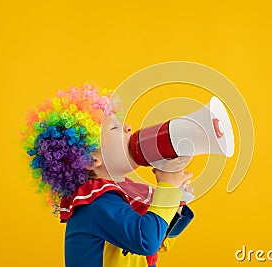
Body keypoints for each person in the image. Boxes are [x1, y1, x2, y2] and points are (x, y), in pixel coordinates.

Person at [21, 83, 194, 267]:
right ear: (90, 160)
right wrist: (167, 187)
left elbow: (158, 242)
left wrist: (174, 208)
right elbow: (146, 240)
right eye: (114, 128)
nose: (128, 127)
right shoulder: (95, 201)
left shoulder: (122, 193)